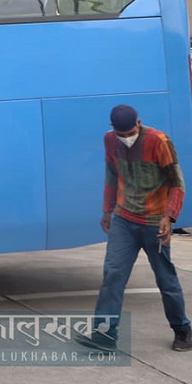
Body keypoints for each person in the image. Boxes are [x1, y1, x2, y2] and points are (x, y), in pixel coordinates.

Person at [76, 105, 192, 352]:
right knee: (113, 274)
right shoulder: (110, 140)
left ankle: (183, 330)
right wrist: (107, 210)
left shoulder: (159, 141)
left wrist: (169, 217)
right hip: (124, 220)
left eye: (130, 132)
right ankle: (104, 337)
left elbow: (177, 183)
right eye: (121, 134)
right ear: (112, 130)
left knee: (166, 279)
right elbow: (111, 176)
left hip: (155, 224)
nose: (126, 137)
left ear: (139, 123)